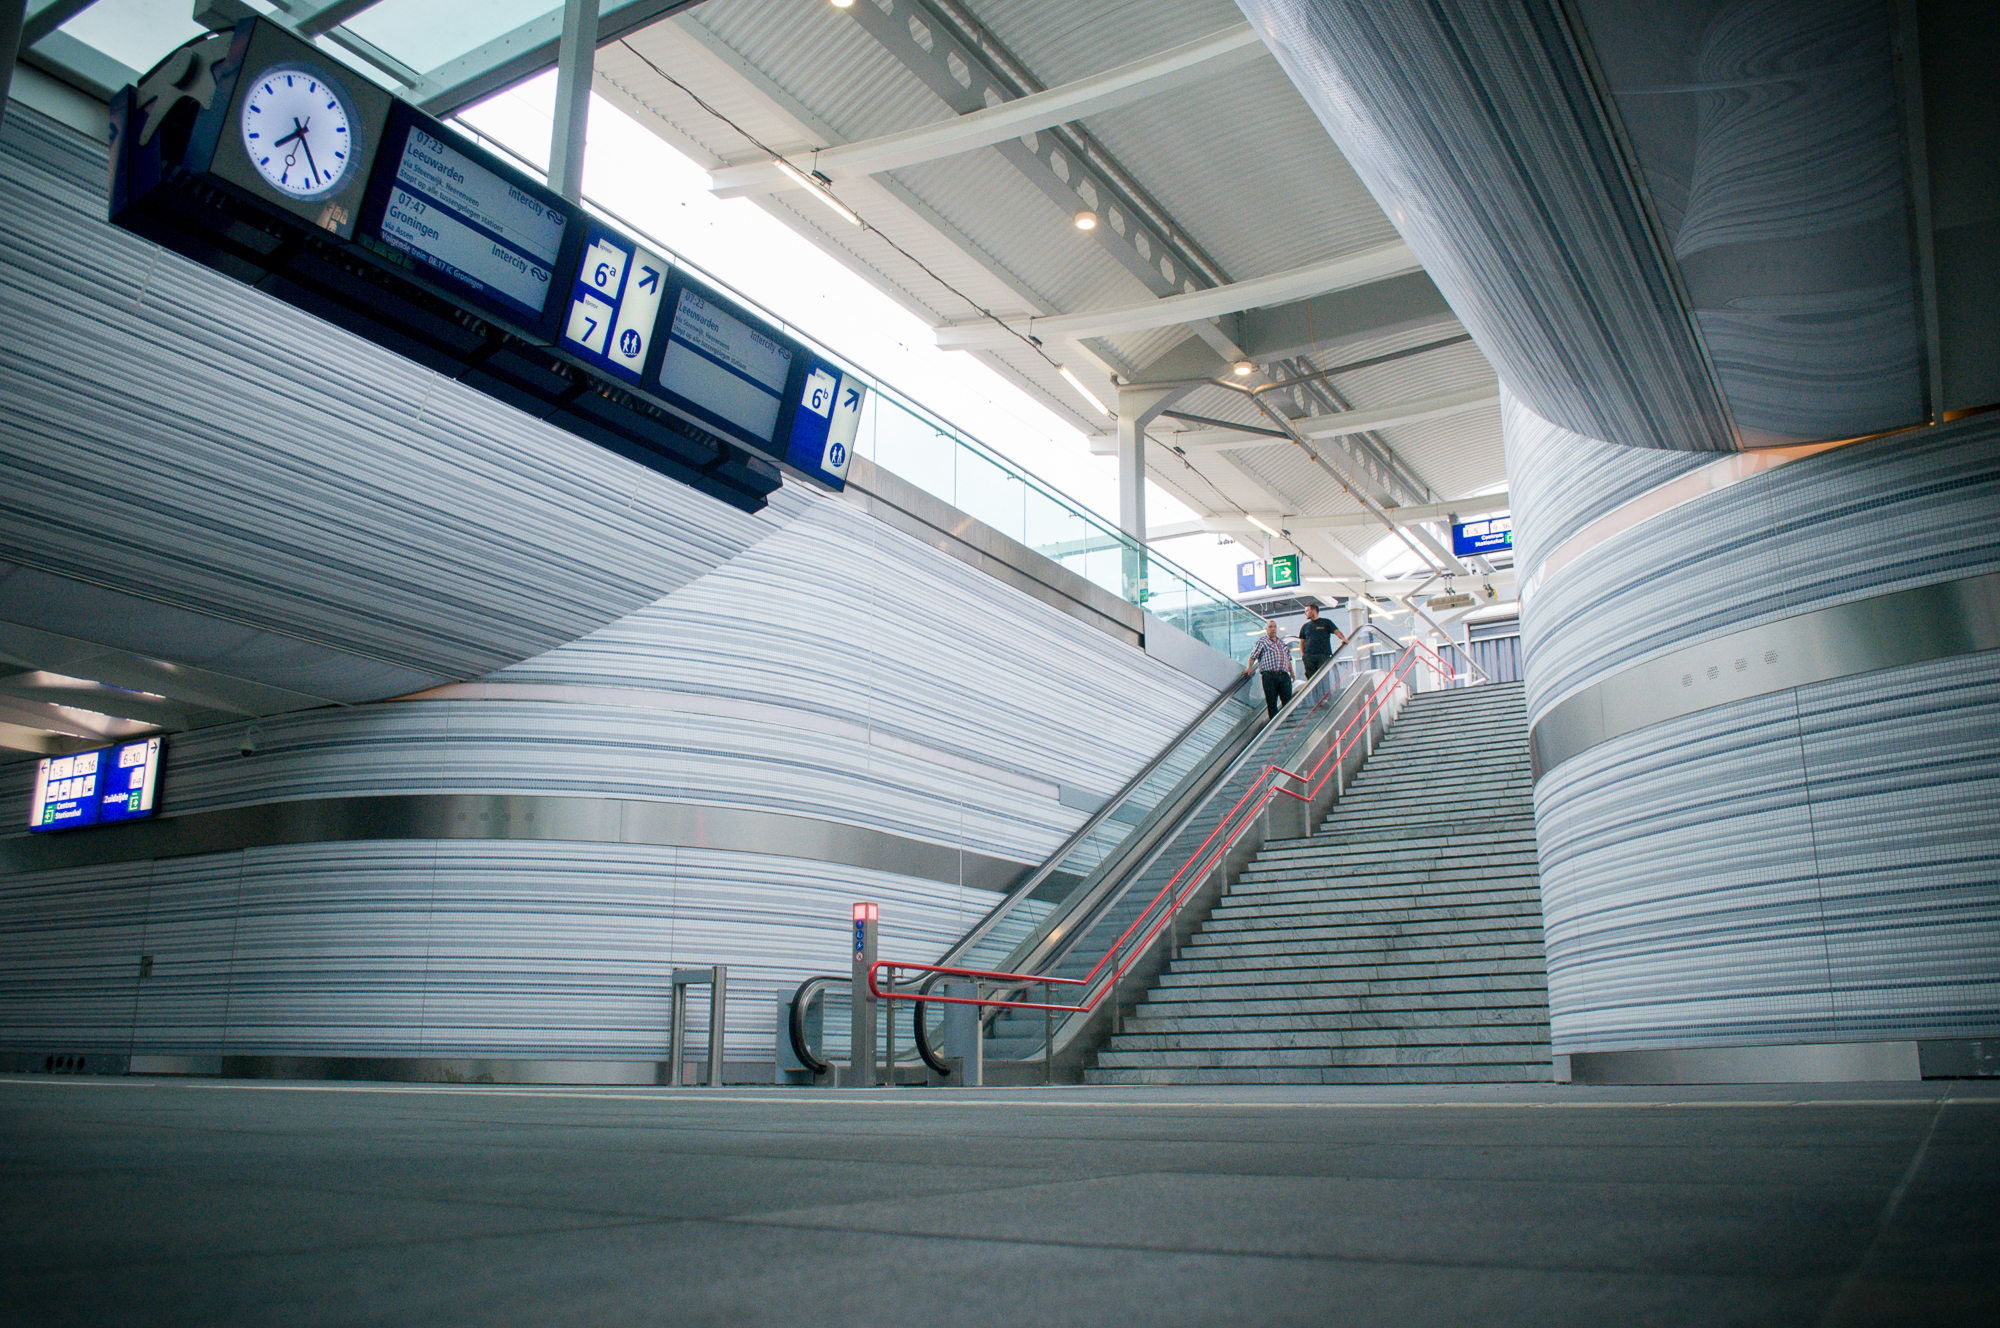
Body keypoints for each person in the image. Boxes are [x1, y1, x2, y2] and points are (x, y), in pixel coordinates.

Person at [1244, 619, 1295, 719]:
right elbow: (1253, 656)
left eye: (1274, 626)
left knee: (1288, 700)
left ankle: (1290, 722)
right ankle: (1274, 725)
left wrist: (1291, 672)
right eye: (1270, 627)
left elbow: (1288, 658)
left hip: (1284, 675)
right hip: (1269, 676)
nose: (1273, 629)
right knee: (1271, 701)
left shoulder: (1282, 643)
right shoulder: (1262, 641)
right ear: (1266, 629)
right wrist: (1249, 667)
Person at [1299, 602, 1345, 681]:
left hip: (1323, 655)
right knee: (1311, 679)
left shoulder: (1326, 622)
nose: (1305, 613)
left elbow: (1336, 631)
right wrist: (1303, 655)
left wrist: (1343, 638)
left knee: (1323, 678)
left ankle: (1324, 693)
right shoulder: (1305, 626)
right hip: (1309, 656)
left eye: (1307, 611)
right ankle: (1314, 693)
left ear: (1313, 611)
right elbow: (1302, 642)